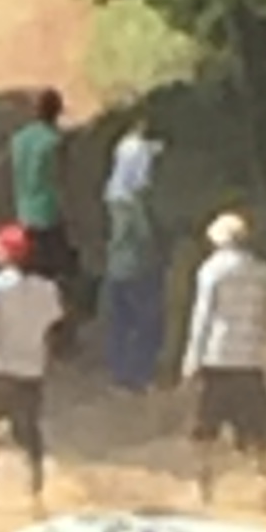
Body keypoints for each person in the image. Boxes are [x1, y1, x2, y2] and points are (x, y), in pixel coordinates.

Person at [181, 211, 266, 500]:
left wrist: (192, 358)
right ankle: (263, 481)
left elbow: (202, 317)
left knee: (205, 426)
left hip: (217, 356)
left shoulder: (211, 271)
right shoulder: (261, 271)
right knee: (254, 425)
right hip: (250, 357)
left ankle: (204, 483)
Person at [0, 221, 66, 500]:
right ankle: (34, 482)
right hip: (31, 369)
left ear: (7, 256)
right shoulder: (48, 290)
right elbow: (56, 325)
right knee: (28, 429)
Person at [101, 111, 167, 392]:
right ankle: (139, 375)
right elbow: (144, 236)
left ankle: (118, 372)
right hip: (137, 267)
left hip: (117, 267)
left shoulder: (113, 194)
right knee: (146, 319)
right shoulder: (134, 205)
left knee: (120, 319)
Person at [7, 89, 73, 283]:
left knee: (28, 265)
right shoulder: (55, 141)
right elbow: (61, 179)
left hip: (23, 209)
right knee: (53, 269)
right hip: (48, 211)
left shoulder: (18, 139)